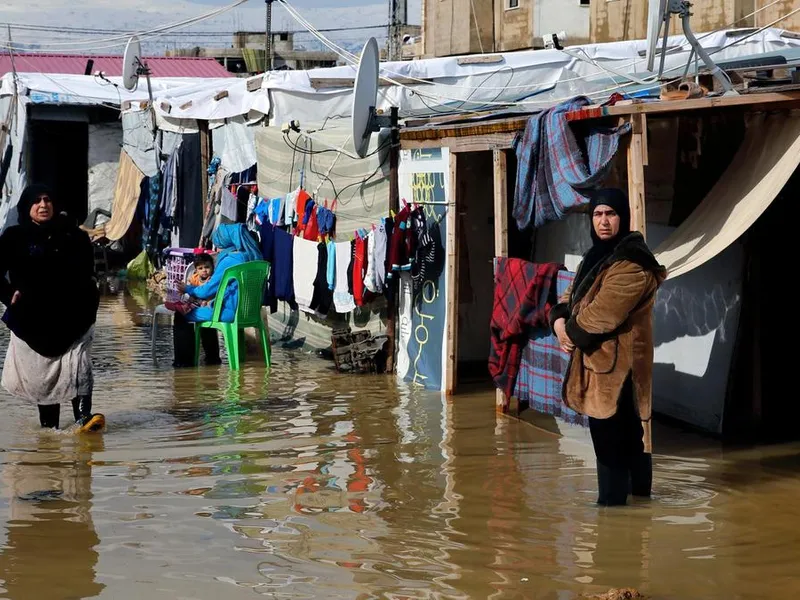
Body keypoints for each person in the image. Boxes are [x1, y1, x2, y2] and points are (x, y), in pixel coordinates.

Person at [549, 189, 666, 506]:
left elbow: (602, 315)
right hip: (600, 363)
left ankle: (612, 513)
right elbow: (570, 297)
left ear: (623, 217)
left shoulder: (632, 264)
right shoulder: (596, 256)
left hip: (619, 369)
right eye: (597, 214)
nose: (603, 221)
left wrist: (568, 332)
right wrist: (559, 323)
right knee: (625, 438)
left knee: (612, 441)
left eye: (610, 214)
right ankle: (637, 508)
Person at [0, 184, 102, 430]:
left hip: (73, 316)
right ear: (27, 207)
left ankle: (83, 421)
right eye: (37, 201)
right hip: (32, 320)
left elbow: (89, 273)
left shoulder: (74, 236)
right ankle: (49, 430)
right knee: (42, 377)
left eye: (47, 200)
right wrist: (7, 293)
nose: (43, 205)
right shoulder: (14, 237)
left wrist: (89, 301)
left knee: (78, 367)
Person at [172, 224, 263, 367]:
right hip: (250, 313)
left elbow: (207, 291)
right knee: (206, 312)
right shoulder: (254, 256)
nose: (218, 246)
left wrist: (188, 289)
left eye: (220, 241)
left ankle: (184, 365)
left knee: (181, 315)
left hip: (229, 312)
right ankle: (212, 359)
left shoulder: (230, 260)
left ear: (227, 240)